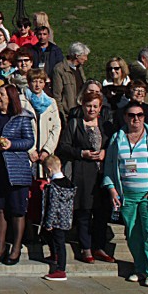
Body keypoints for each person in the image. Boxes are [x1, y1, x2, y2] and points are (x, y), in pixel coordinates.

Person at [103, 100, 148, 287]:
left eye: (140, 115)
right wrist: (111, 187)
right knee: (133, 233)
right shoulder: (117, 138)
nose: (136, 119)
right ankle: (140, 268)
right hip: (127, 194)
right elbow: (110, 166)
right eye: (131, 115)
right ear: (125, 117)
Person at [55, 91, 116, 264]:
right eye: (88, 106)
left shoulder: (106, 126)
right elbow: (63, 147)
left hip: (102, 176)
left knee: (101, 214)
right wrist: (81, 153)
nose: (91, 109)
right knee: (84, 213)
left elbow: (114, 146)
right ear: (82, 106)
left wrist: (105, 152)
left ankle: (99, 247)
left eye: (95, 106)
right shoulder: (75, 124)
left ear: (100, 108)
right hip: (82, 174)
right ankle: (86, 247)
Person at [0, 85, 35, 265]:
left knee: (16, 210)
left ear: (10, 98)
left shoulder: (22, 118)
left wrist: (11, 144)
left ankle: (15, 247)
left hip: (16, 169)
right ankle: (0, 246)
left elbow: (29, 141)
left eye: (2, 94)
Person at [40, 155, 76, 281]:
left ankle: (61, 269)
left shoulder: (54, 187)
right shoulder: (68, 183)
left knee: (60, 243)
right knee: (54, 239)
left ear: (49, 170)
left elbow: (53, 206)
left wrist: (48, 222)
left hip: (56, 220)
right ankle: (54, 255)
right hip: (66, 218)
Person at [24, 69, 61, 166]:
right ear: (29, 82)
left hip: (45, 151)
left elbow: (56, 127)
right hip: (29, 151)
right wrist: (30, 150)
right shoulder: (22, 101)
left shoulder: (51, 102)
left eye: (40, 82)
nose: (37, 85)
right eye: (34, 81)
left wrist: (47, 150)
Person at [52, 42, 89, 115]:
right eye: (84, 56)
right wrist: (61, 114)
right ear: (77, 56)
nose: (86, 59)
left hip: (81, 111)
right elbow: (57, 95)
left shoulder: (80, 69)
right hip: (68, 113)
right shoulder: (60, 69)